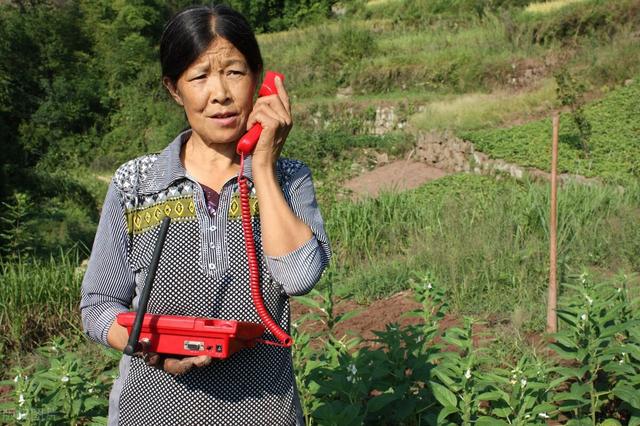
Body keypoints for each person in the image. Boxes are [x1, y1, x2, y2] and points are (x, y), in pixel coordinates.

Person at [79, 5, 331, 425]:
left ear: (260, 79)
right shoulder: (136, 183)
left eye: (234, 72)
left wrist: (263, 169)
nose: (220, 94)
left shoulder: (289, 178)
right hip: (151, 412)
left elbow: (300, 276)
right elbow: (98, 305)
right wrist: (149, 346)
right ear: (174, 89)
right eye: (199, 77)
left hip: (264, 412)